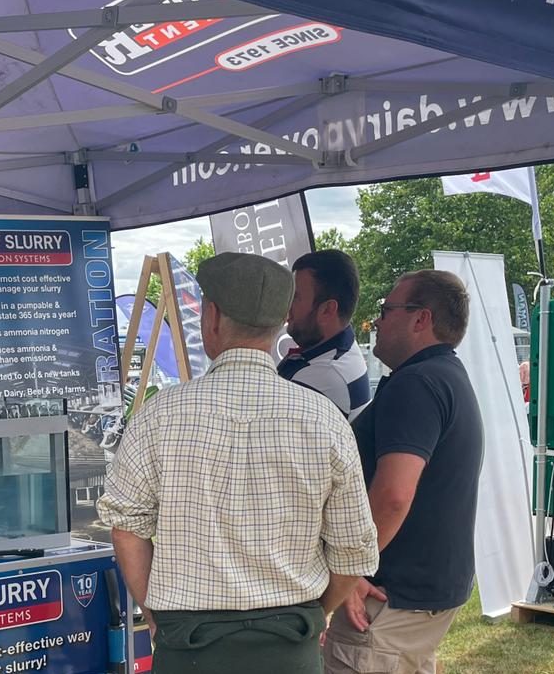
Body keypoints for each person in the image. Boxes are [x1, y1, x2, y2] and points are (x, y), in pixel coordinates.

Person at [98, 252, 378, 674]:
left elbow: (127, 529)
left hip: (189, 648)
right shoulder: (325, 421)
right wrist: (313, 616)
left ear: (211, 317)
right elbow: (353, 553)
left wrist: (156, 616)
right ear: (280, 323)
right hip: (290, 648)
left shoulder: (159, 416)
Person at [324, 270, 483, 674]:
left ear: (420, 319)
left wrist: (350, 571)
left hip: (387, 595)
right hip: (417, 593)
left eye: (386, 309)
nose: (376, 321)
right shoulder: (445, 376)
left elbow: (394, 494)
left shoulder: (417, 384)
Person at [279, 249, 371, 419]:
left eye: (295, 297)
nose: (287, 307)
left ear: (327, 310)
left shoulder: (324, 375)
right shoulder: (338, 353)